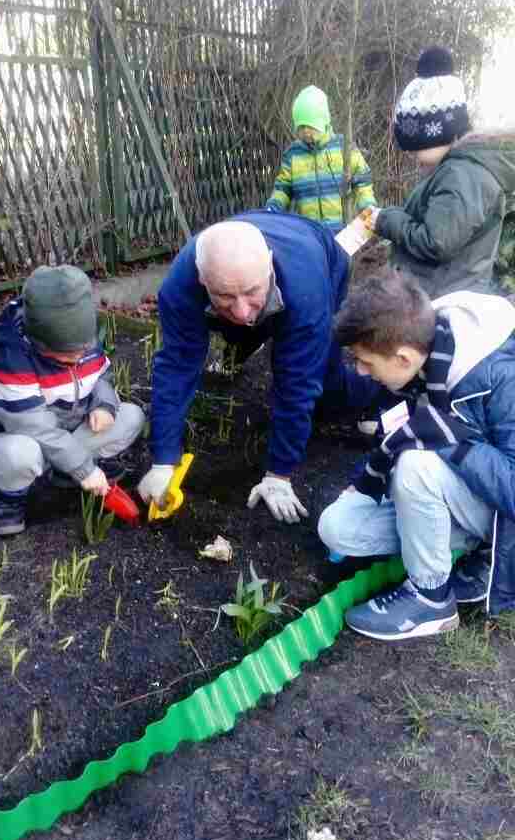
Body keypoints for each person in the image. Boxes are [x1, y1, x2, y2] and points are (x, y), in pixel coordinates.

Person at [137, 210, 377, 524]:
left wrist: (279, 474)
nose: (241, 311)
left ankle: (378, 399)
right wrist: (163, 459)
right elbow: (176, 367)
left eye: (251, 293)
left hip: (320, 257)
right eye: (224, 296)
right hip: (260, 256)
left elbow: (297, 383)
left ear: (268, 265)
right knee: (241, 330)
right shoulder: (179, 286)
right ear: (201, 277)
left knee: (323, 383)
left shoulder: (306, 291)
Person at [317, 267, 515, 641]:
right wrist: (362, 485)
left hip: (501, 517)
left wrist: (448, 443)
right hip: (459, 493)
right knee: (337, 529)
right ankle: (451, 542)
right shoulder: (423, 355)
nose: (359, 371)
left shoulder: (503, 378)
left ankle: (430, 598)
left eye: (365, 362)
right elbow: (399, 432)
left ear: (404, 358)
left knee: (418, 462)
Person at [0, 265, 145, 536]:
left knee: (130, 416)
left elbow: (102, 374)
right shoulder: (13, 357)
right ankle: (9, 499)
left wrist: (104, 404)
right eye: (66, 355)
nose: (79, 357)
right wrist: (84, 468)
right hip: (27, 439)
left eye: (83, 350)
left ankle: (65, 474)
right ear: (38, 341)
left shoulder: (82, 336)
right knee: (17, 454)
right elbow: (33, 426)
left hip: (69, 430)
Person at [369, 45, 515, 297]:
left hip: (444, 306)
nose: (413, 157)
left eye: (415, 149)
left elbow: (435, 242)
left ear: (437, 133)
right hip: (435, 295)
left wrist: (385, 219)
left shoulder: (464, 175)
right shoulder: (455, 169)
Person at [265, 85, 376, 235]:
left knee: (342, 257)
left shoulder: (344, 148)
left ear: (324, 122)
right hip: (309, 233)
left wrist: (367, 206)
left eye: (310, 126)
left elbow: (363, 180)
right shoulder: (293, 155)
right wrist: (273, 208)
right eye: (301, 127)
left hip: (341, 231)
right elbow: (283, 188)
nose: (306, 132)